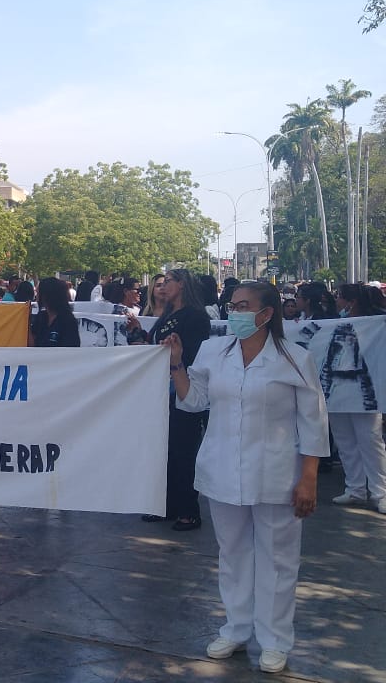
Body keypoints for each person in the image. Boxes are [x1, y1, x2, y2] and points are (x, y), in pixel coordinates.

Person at [167, 281, 328, 674]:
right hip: (221, 468)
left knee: (278, 559)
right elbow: (194, 400)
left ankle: (274, 640)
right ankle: (236, 629)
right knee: (233, 554)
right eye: (232, 304)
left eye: (243, 305)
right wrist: (176, 364)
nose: (234, 311)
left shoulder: (293, 359)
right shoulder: (213, 352)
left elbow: (313, 421)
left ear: (266, 314)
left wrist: (309, 477)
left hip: (276, 474)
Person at [128, 268, 211, 530]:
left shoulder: (196, 317)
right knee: (163, 451)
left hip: (183, 389)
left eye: (170, 281)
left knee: (182, 450)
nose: (163, 286)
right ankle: (166, 504)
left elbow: (194, 353)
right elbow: (156, 348)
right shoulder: (167, 314)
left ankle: (188, 509)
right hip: (161, 391)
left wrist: (175, 353)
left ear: (183, 285)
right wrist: (141, 334)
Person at [327, 283, 386, 513]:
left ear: (350, 301)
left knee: (370, 441)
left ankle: (381, 492)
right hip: (338, 390)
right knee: (345, 441)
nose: (337, 301)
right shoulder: (333, 321)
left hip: (365, 391)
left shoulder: (377, 322)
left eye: (340, 297)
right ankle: (355, 488)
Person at [29, 278, 81, 347]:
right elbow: (31, 345)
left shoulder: (68, 320)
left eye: (38, 293)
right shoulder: (41, 316)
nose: (36, 297)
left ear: (46, 296)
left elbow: (71, 349)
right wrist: (27, 319)